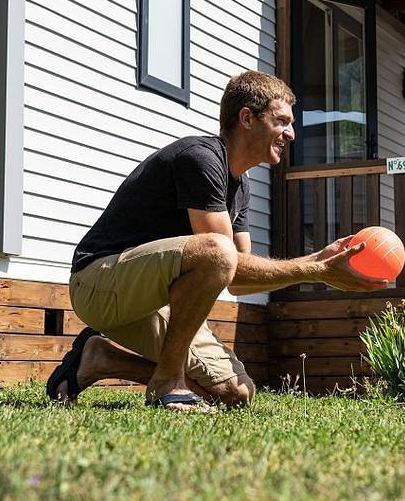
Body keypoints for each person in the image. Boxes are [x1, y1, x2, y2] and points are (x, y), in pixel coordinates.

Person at [46, 71, 385, 412]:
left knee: (236, 393)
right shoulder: (201, 158)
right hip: (99, 282)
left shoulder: (240, 185)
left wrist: (318, 266)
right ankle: (167, 383)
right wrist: (316, 268)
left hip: (150, 300)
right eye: (281, 121)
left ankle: (100, 358)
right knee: (218, 250)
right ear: (247, 118)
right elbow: (225, 260)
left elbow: (238, 280)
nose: (291, 134)